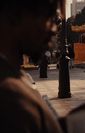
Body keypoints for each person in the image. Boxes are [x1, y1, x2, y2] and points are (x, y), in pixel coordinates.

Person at [0, 0, 66, 132]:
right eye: (49, 17)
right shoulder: (11, 97)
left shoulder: (17, 75)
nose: (54, 29)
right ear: (14, 14)